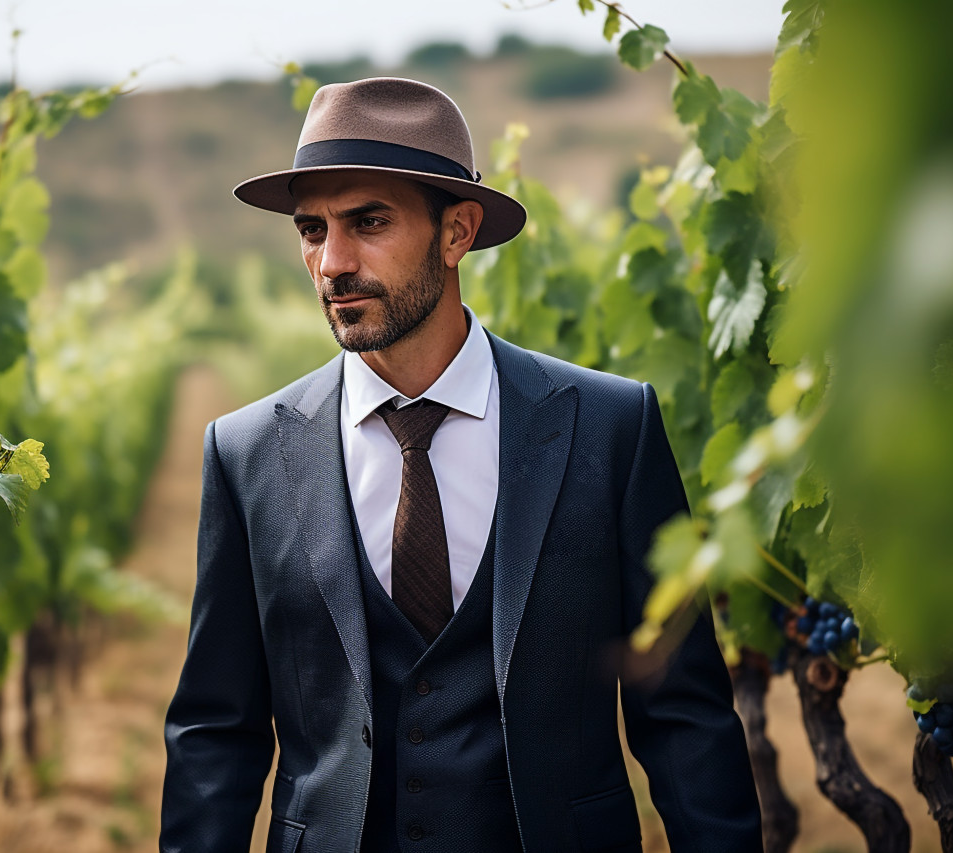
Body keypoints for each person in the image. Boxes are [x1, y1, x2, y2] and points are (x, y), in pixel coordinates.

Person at [160, 76, 762, 853]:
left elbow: (683, 715)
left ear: (457, 233)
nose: (331, 262)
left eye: (367, 221)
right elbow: (217, 731)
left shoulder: (611, 428)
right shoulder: (244, 453)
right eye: (312, 230)